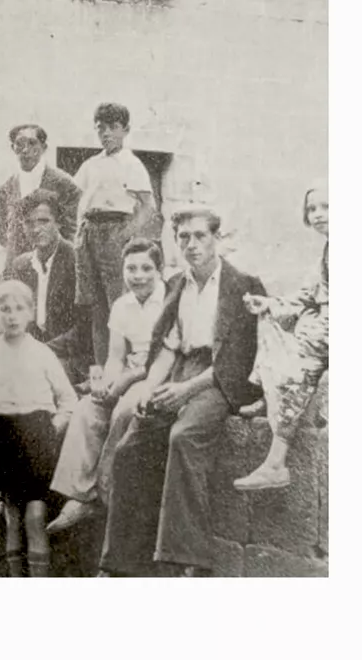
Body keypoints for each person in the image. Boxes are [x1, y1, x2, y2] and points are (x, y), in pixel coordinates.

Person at [99, 208, 265, 577]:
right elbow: (169, 347)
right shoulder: (177, 284)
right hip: (180, 369)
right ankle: (122, 564)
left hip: (217, 379)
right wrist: (151, 386)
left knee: (184, 436)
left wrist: (188, 388)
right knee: (131, 448)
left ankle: (186, 560)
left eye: (200, 236)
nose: (192, 244)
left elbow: (239, 360)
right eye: (184, 237)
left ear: (216, 239)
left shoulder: (242, 284)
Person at [46, 236, 165, 536]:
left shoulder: (169, 302)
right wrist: (103, 383)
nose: (138, 276)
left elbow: (158, 361)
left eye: (146, 268)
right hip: (128, 372)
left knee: (124, 410)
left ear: (159, 270)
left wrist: (122, 381)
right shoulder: (121, 305)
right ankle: (78, 496)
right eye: (131, 268)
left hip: (157, 376)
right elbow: (114, 358)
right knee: (88, 407)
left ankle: (104, 490)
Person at [0, 280, 76, 577]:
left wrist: (53, 426)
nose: (12, 316)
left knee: (35, 515)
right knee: (12, 514)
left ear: (30, 313)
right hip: (4, 437)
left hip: (38, 437)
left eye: (19, 309)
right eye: (5, 309)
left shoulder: (42, 352)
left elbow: (68, 399)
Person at [233, 180, 328, 492]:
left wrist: (314, 326)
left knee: (296, 365)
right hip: (320, 328)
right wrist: (270, 304)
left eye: (326, 207)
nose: (317, 214)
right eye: (311, 209)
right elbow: (304, 297)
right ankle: (266, 393)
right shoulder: (326, 252)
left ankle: (276, 463)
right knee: (268, 318)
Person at [73, 103, 160, 365]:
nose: (106, 134)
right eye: (101, 128)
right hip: (90, 234)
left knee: (119, 303)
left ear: (126, 130)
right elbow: (74, 200)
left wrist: (124, 234)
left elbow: (148, 208)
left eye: (113, 128)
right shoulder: (90, 165)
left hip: (115, 230)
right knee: (96, 307)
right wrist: (79, 234)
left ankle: (127, 366)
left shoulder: (131, 164)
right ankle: (102, 368)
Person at [13, 190, 90, 382]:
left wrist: (42, 351)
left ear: (59, 222)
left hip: (72, 358)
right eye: (28, 223)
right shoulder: (21, 266)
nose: (36, 229)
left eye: (43, 221)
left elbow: (85, 327)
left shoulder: (76, 261)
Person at [0, 125, 82, 274]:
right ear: (13, 148)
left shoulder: (64, 184)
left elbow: (74, 232)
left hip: (54, 268)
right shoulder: (6, 189)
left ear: (44, 147)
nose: (25, 150)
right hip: (17, 268)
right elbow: (3, 236)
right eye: (20, 144)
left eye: (32, 143)